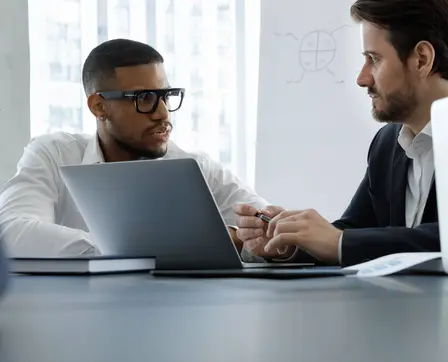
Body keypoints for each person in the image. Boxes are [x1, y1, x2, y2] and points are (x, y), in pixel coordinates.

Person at [234, 0, 448, 266]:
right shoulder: (387, 143)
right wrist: (291, 240)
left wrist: (339, 243)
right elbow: (354, 230)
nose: (362, 78)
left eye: (374, 59)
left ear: (422, 59)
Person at [0, 39, 267, 257]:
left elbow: (272, 229)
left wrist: (250, 239)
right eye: (145, 98)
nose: (163, 113)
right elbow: (12, 233)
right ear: (99, 107)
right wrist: (143, 249)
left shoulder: (194, 166)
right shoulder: (54, 155)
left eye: (166, 96)